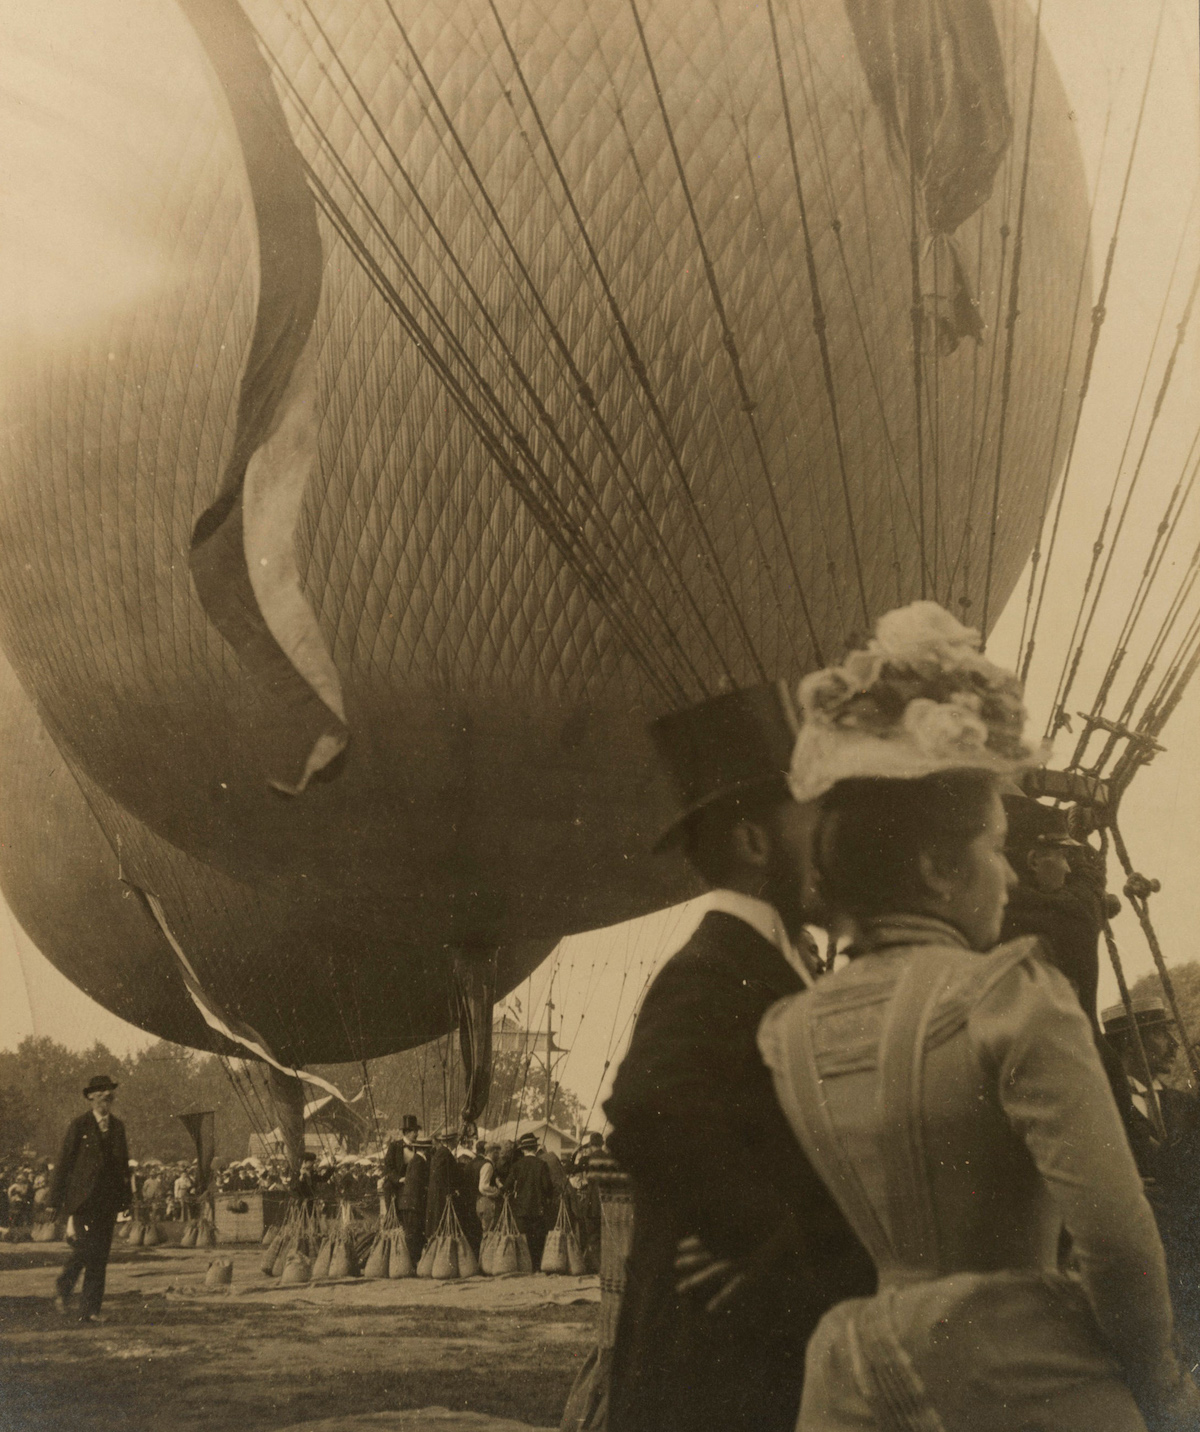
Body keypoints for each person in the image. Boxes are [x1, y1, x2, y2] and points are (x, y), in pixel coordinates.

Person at [757, 601, 1200, 1431]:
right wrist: (1162, 1387)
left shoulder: (790, 1032)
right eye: (993, 849)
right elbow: (1118, 1242)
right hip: (1019, 1374)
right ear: (936, 867)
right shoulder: (1011, 996)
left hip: (857, 1381)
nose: (1006, 878)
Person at [604, 683, 874, 1432]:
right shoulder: (716, 964)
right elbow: (645, 1104)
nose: (832, 848)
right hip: (711, 1362)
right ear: (756, 842)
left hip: (738, 1346)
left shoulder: (764, 958)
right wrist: (762, 1236)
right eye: (816, 825)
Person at [47, 1074, 133, 1324]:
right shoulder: (79, 1125)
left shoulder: (118, 1127)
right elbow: (63, 1164)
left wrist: (126, 1199)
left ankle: (90, 1310)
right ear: (91, 1097)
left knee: (100, 1255)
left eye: (109, 1094)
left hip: (108, 1201)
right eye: (100, 1094)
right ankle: (64, 1284)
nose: (105, 1098)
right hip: (83, 1201)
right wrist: (54, 1200)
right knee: (85, 1249)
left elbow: (123, 1167)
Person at [507, 1132, 555, 1270]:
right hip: (538, 1208)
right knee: (538, 1239)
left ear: (522, 1149)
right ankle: (536, 1266)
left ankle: (524, 1266)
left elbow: (508, 1186)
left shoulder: (517, 1165)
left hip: (521, 1208)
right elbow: (547, 1186)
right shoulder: (542, 1164)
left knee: (524, 1239)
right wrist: (548, 1198)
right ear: (535, 1148)